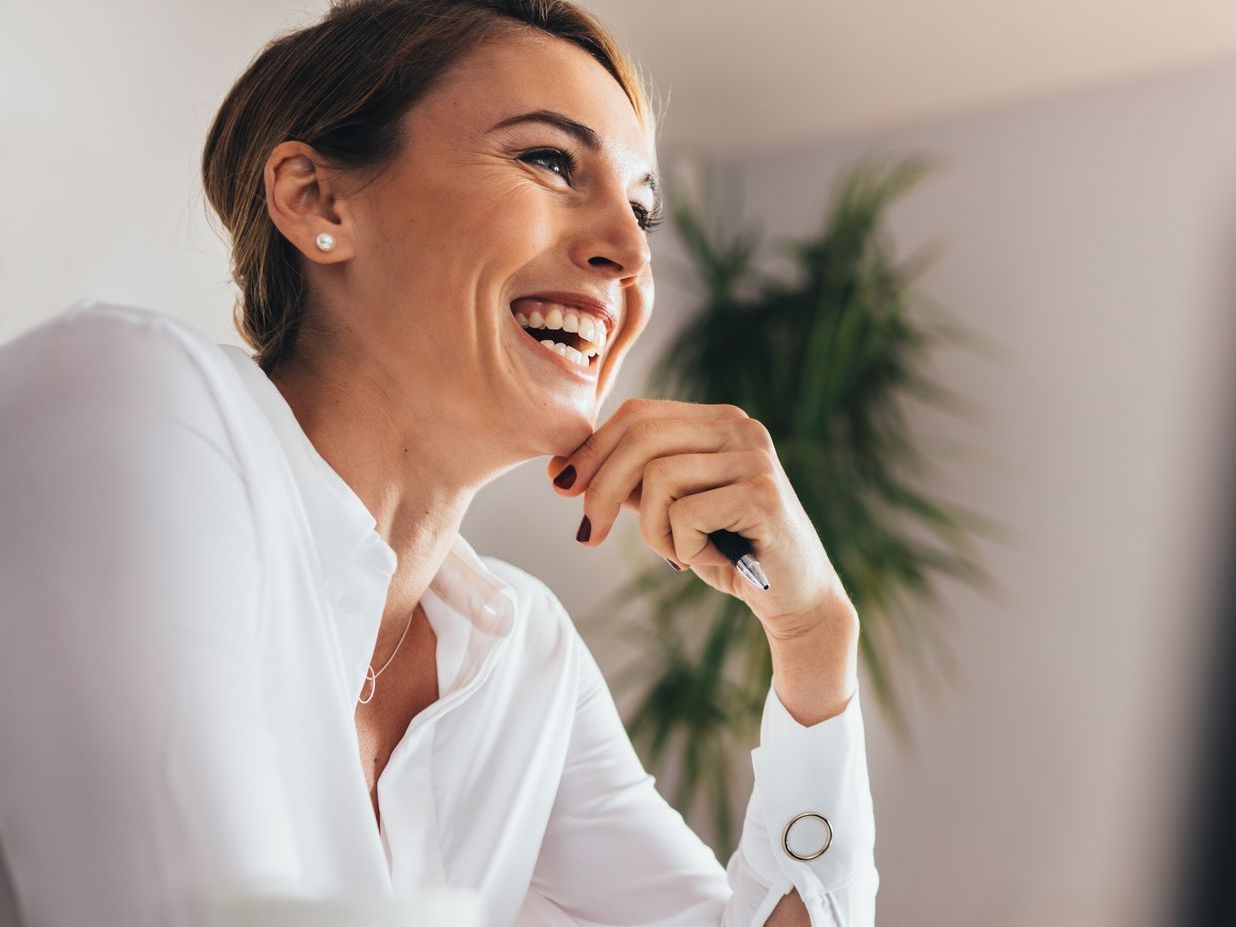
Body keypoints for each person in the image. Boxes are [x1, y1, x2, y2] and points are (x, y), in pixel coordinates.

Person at [0, 1, 878, 924]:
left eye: (642, 210)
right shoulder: (123, 396)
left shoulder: (523, 655)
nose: (625, 254)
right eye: (548, 160)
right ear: (317, 199)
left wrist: (816, 640)